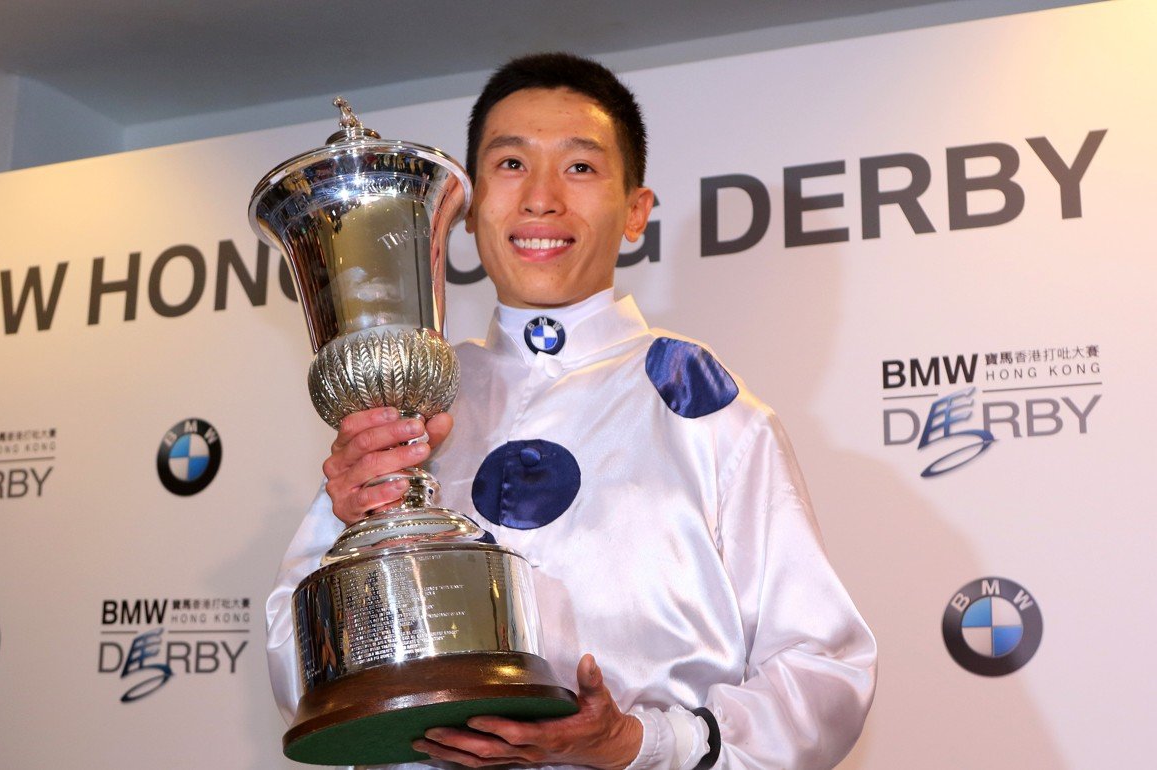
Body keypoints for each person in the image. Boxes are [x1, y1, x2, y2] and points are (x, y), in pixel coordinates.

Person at [267, 52, 877, 770]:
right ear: (465, 211)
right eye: (512, 164)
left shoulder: (707, 409)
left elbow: (826, 671)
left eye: (581, 168)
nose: (542, 200)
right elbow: (294, 668)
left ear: (636, 212)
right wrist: (347, 529)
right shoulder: (410, 402)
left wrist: (644, 742)